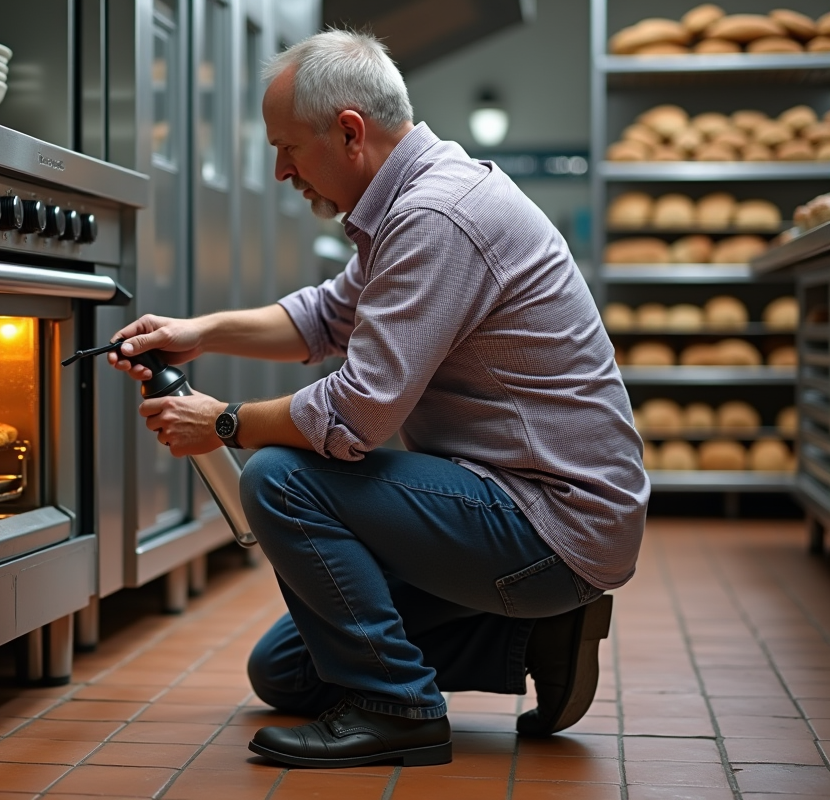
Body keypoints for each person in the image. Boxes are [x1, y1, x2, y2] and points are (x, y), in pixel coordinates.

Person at [108, 29, 648, 770]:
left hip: (548, 522)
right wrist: (199, 332)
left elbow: (356, 415)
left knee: (280, 478)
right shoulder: (413, 200)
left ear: (349, 132)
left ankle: (399, 711)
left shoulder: (436, 216)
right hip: (514, 506)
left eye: (287, 148)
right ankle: (534, 635)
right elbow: (324, 317)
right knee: (286, 672)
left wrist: (226, 423)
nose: (280, 170)